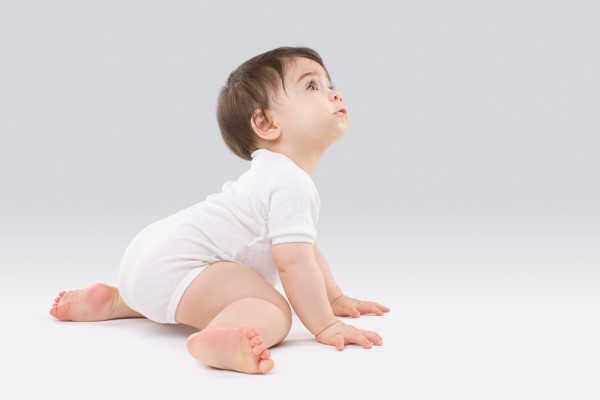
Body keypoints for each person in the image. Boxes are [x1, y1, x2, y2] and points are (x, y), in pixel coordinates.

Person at [50, 46, 390, 374]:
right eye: (313, 86)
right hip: (175, 269)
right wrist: (326, 324)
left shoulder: (270, 175)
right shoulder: (290, 183)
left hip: (147, 257)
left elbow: (308, 251)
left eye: (330, 84)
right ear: (266, 123)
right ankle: (221, 336)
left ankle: (115, 301)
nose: (334, 93)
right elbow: (295, 263)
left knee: (190, 286)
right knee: (274, 310)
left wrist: (335, 298)